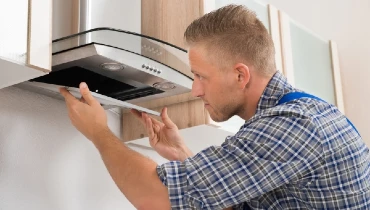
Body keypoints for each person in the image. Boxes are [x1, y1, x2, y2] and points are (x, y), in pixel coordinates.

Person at [59, 4, 370, 210]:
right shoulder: (297, 116)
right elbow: (230, 199)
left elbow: (158, 196)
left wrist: (99, 131)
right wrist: (183, 155)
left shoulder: (292, 125)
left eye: (200, 76)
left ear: (240, 74)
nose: (194, 89)